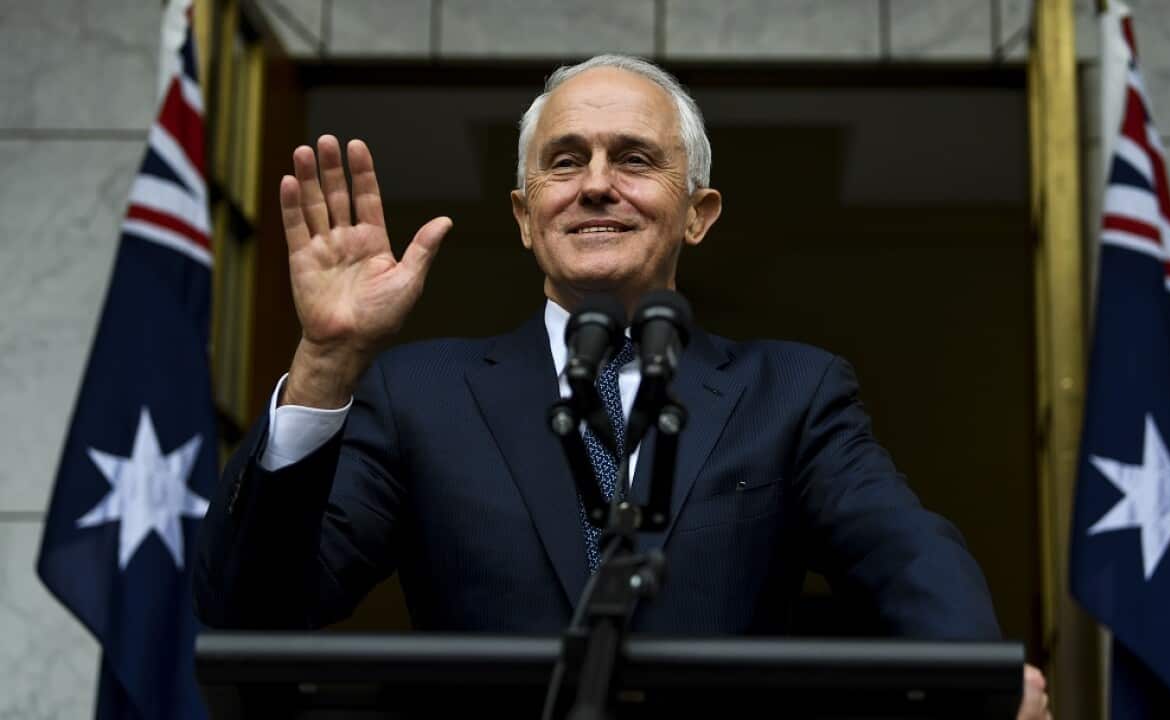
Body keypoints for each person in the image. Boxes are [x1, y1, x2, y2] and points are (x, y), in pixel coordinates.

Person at [193, 55, 1050, 719]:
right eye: (564, 162)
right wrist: (326, 362)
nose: (596, 181)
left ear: (698, 212)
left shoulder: (791, 391)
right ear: (527, 217)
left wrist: (974, 679)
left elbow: (905, 555)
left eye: (633, 158)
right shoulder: (421, 392)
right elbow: (254, 610)